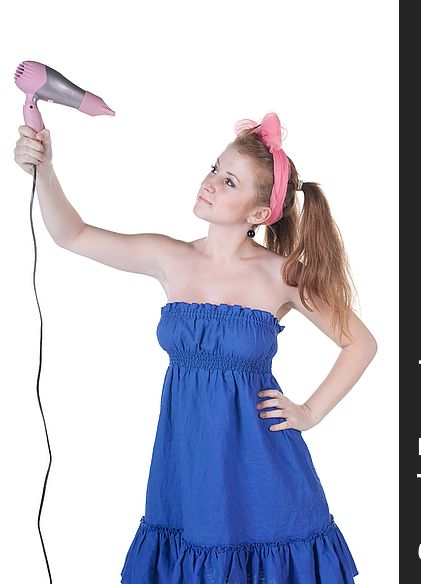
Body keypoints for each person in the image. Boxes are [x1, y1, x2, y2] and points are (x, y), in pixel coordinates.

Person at [14, 112, 377, 583]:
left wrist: (309, 412)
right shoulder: (171, 258)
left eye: (229, 181)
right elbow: (73, 235)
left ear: (259, 214)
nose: (209, 183)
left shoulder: (282, 274)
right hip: (187, 460)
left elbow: (360, 344)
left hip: (261, 462)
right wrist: (45, 170)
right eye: (214, 169)